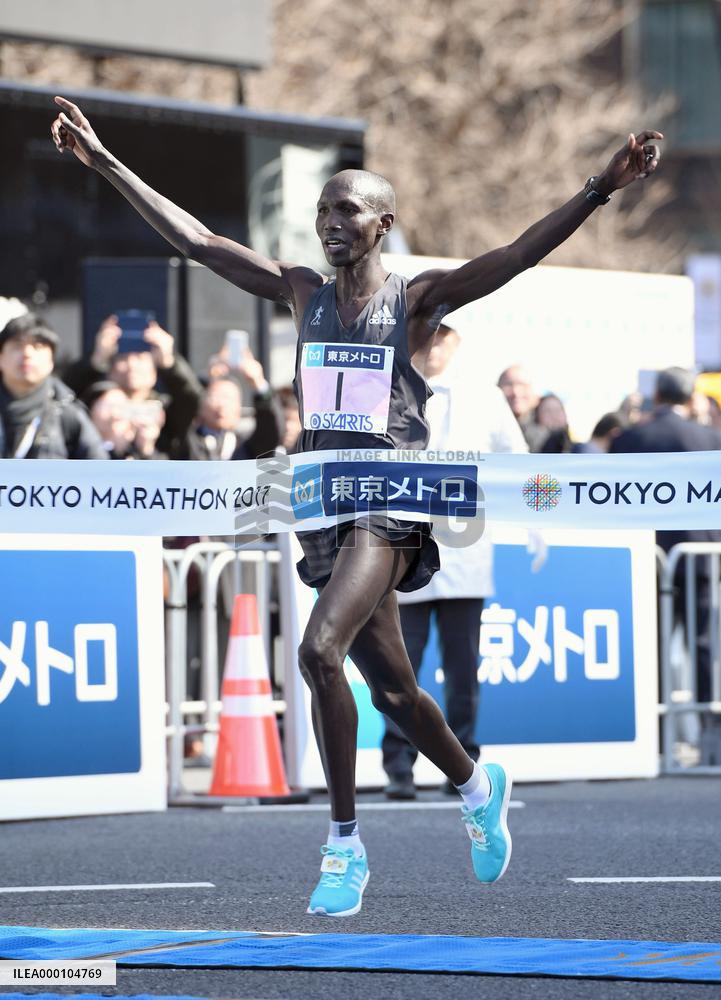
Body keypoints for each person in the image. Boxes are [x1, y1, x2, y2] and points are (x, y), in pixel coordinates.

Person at [51, 94, 662, 915]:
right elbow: (198, 241)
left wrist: (600, 187)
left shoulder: (416, 300)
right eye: (320, 211)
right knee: (395, 695)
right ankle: (480, 787)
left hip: (390, 506)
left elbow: (515, 254)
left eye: (346, 210)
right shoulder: (300, 290)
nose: (328, 223)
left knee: (315, 651)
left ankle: (344, 846)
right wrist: (107, 161)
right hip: (325, 508)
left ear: (383, 223)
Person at [382, 324, 527, 800]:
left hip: (466, 549)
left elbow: (517, 457)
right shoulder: (390, 386)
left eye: (442, 338)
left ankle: (462, 763)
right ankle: (398, 765)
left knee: (464, 669)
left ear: (456, 344)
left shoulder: (484, 397)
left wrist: (528, 519)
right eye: (427, 335)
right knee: (402, 667)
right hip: (405, 548)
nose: (433, 345)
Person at [611, 367, 721, 761]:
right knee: (704, 646)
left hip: (647, 560)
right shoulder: (710, 438)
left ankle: (653, 740)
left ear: (657, 394)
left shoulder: (630, 438)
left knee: (649, 646)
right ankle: (712, 738)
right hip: (701, 558)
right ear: (690, 396)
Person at [64, 314, 202, 457]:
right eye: (122, 359)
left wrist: (169, 363)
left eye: (140, 358)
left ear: (154, 371)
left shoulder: (166, 411)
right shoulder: (94, 404)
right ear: (110, 369)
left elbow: (192, 399)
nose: (131, 365)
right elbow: (65, 396)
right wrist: (97, 359)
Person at [0, 313, 107, 460]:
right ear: (1, 357)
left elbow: (99, 471)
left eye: (38, 346)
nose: (27, 354)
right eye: (17, 346)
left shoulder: (68, 413)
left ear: (51, 361)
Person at [497, 364, 548, 451]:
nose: (516, 392)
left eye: (523, 385)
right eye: (508, 385)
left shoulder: (551, 434)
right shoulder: (491, 430)